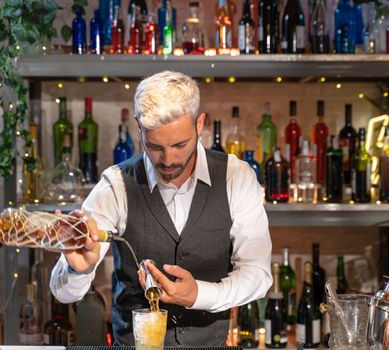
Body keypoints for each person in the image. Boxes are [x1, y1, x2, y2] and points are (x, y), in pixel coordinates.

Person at [49, 71, 272, 346]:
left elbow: (258, 275)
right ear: (138, 127)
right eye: (154, 146)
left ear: (199, 124)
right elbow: (64, 293)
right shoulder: (116, 184)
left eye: (180, 144)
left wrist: (198, 295)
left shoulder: (235, 177)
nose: (168, 160)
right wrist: (80, 270)